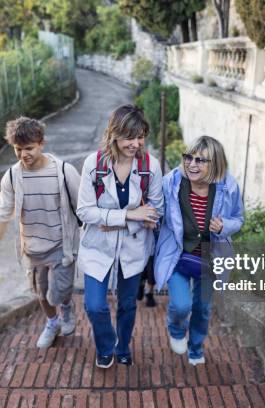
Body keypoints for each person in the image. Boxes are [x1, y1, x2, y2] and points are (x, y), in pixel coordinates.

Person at [0, 116, 81, 348]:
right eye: (18, 149)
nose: (24, 154)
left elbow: (83, 207)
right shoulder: (12, 177)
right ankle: (52, 322)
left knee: (56, 294)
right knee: (40, 293)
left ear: (41, 144)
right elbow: (1, 215)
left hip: (61, 246)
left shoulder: (64, 171)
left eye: (29, 148)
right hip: (32, 249)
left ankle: (65, 306)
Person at [76, 104, 163, 368]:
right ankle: (105, 346)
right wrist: (130, 216)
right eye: (129, 137)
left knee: (127, 304)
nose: (136, 143)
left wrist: (114, 220)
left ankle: (123, 345)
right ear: (114, 134)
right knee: (94, 305)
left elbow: (155, 210)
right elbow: (84, 211)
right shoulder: (94, 164)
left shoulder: (150, 166)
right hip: (97, 247)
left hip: (134, 248)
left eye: (140, 136)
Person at [154, 135, 244, 365]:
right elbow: (155, 210)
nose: (192, 164)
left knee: (202, 309)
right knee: (181, 305)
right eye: (189, 157)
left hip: (210, 259)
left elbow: (239, 219)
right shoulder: (171, 183)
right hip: (177, 257)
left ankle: (196, 347)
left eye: (201, 160)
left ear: (215, 164)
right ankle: (175, 329)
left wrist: (224, 225)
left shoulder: (228, 186)